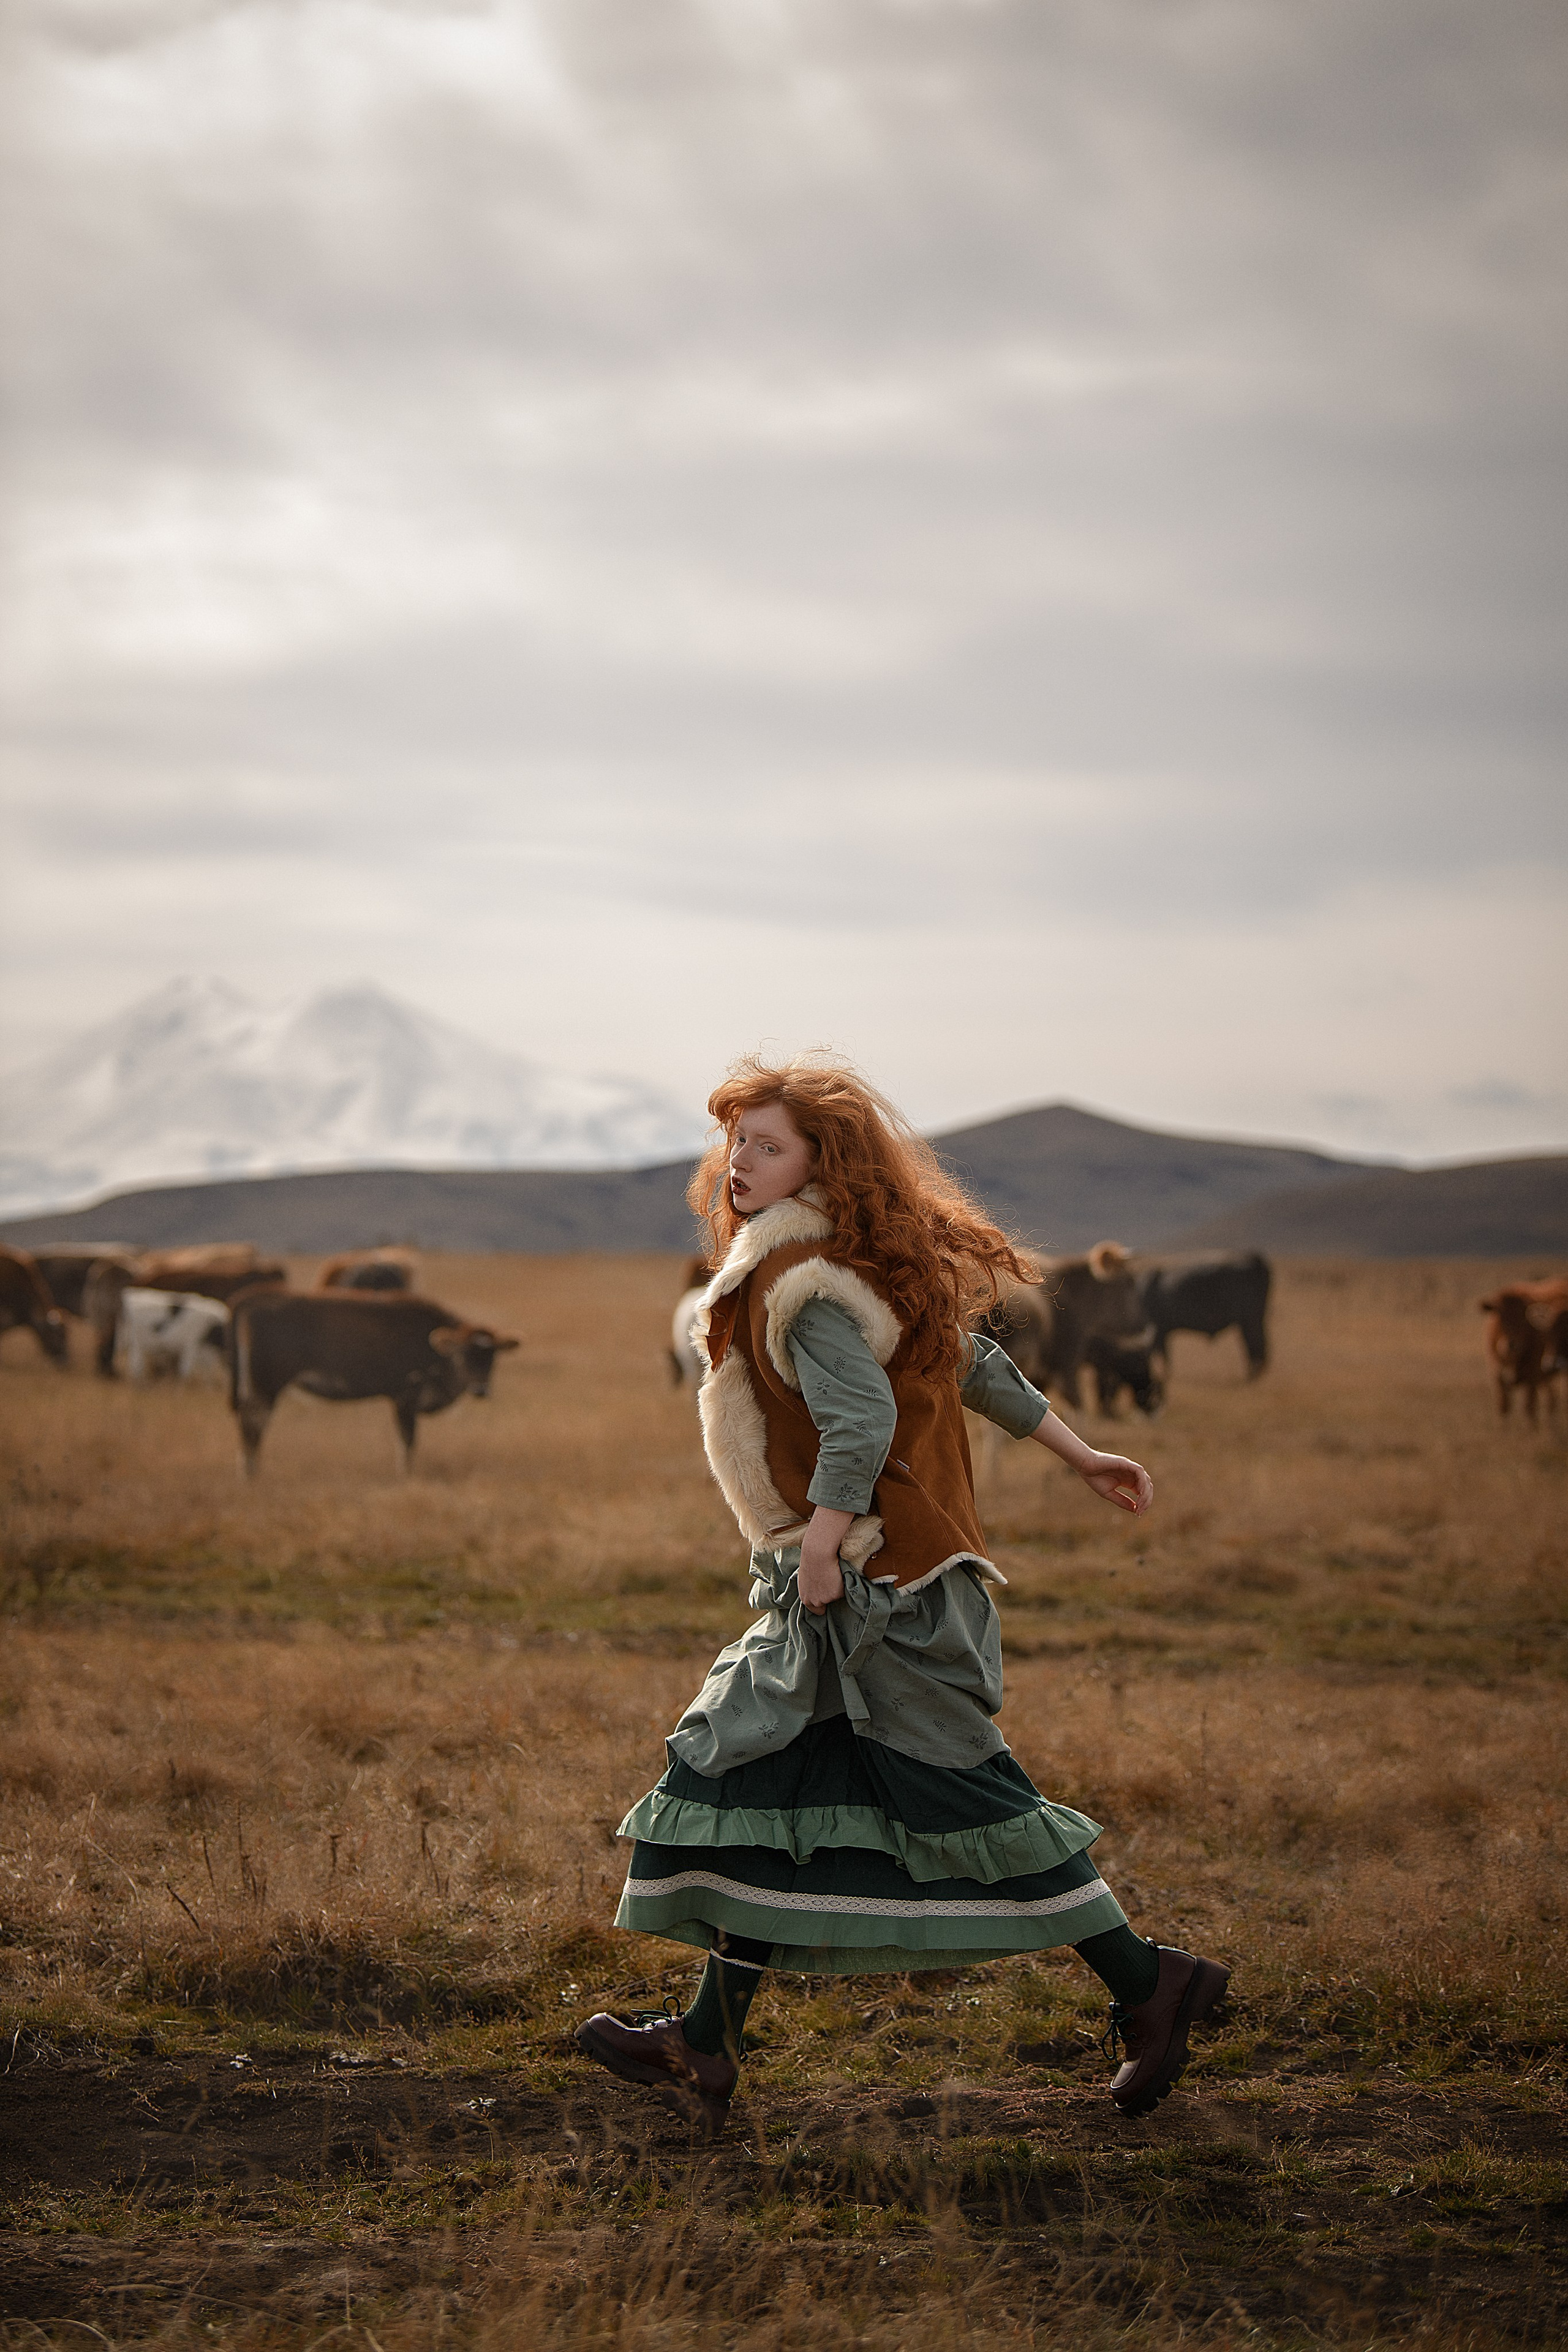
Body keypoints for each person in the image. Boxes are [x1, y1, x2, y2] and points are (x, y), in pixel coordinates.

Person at [577, 1056, 1229, 2136]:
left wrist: (825, 1545)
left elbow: (862, 1427)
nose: (741, 1162)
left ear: (822, 1162)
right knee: (763, 1787)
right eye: (738, 1142)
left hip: (876, 1587)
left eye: (769, 1145)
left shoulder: (804, 1285)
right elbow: (968, 1361)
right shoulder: (861, 1261)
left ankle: (1147, 1982)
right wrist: (1079, 1450)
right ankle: (707, 2040)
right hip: (869, 1579)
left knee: (964, 1794)